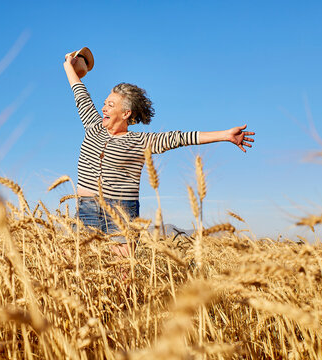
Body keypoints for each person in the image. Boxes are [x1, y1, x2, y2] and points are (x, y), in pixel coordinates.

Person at [63, 52, 255, 256]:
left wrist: (225, 135)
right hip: (86, 210)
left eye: (111, 105)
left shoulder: (139, 141)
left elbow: (179, 138)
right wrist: (68, 66)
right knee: (73, 269)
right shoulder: (94, 127)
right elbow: (80, 95)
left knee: (122, 276)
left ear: (126, 113)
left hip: (120, 212)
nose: (104, 109)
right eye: (104, 103)